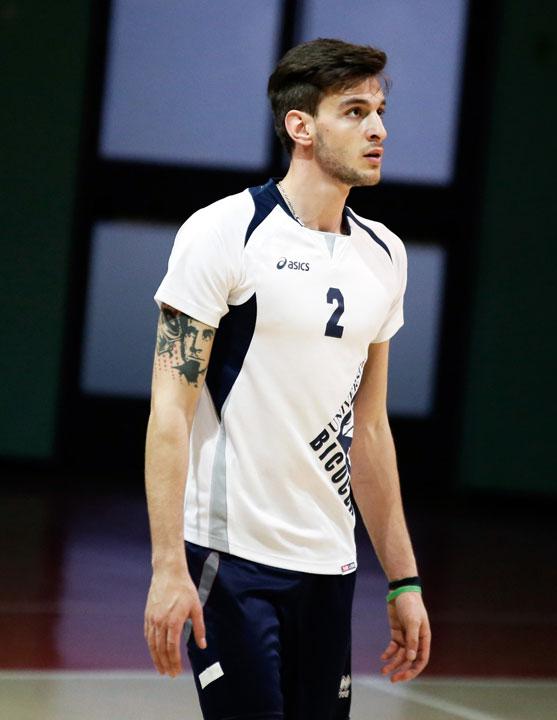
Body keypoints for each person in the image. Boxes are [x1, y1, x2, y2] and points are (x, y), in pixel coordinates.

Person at [144, 39, 429, 720]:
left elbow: (370, 426)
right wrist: (165, 566)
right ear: (302, 127)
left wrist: (403, 579)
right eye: (355, 111)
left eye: (380, 111)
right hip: (230, 558)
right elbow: (169, 415)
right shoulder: (224, 234)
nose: (378, 129)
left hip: (330, 568)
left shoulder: (386, 255)